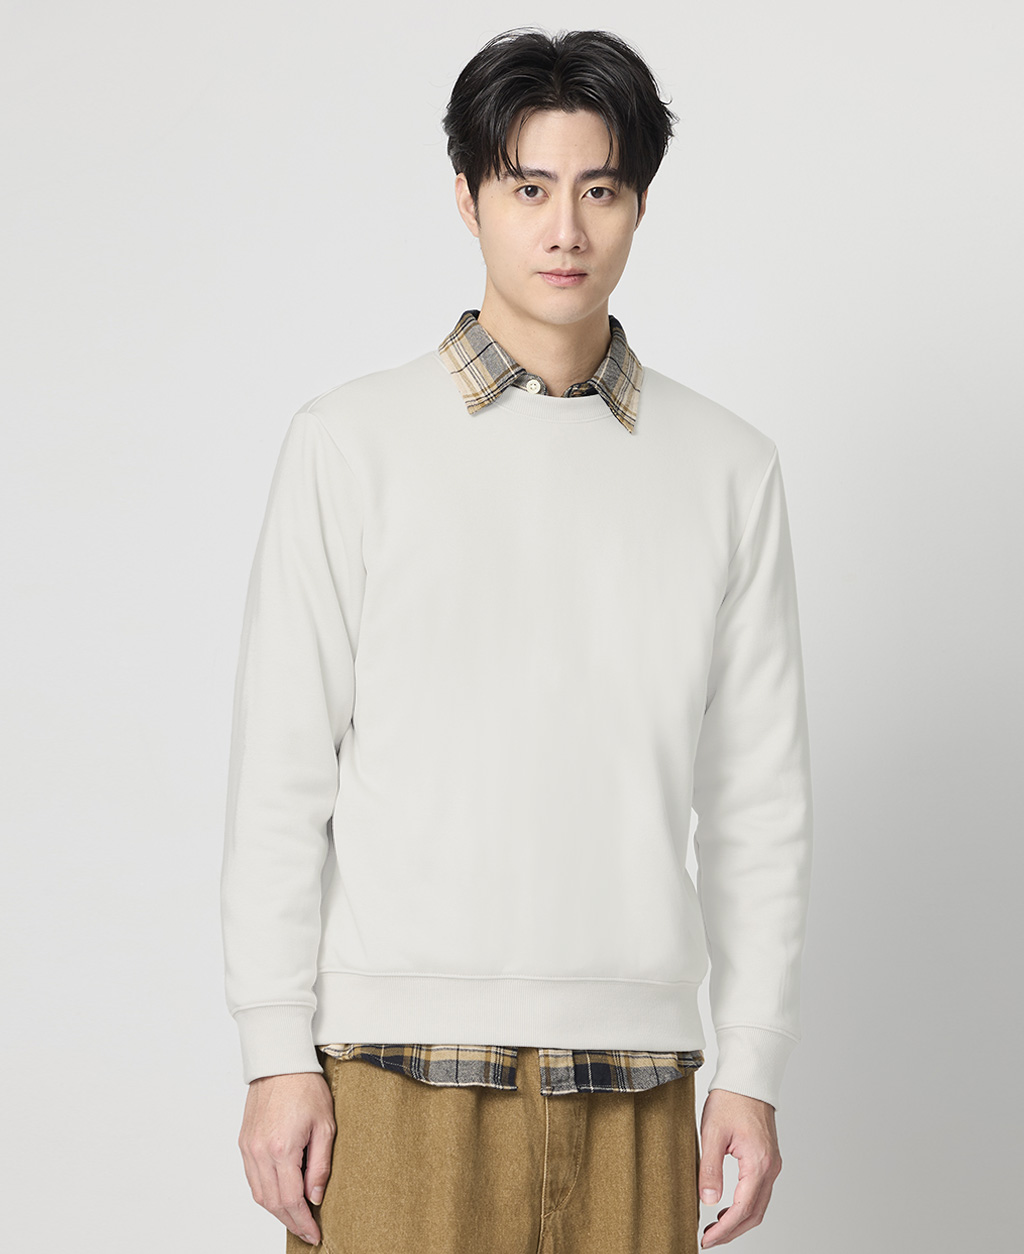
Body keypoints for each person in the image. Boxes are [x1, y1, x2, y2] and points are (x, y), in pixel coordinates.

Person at [221, 26, 813, 1254]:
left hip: (636, 1072)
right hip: (391, 1067)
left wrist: (750, 1066)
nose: (564, 230)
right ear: (468, 198)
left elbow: (758, 798)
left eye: (599, 190)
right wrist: (275, 1049)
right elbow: (282, 770)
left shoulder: (728, 469)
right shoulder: (350, 445)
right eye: (528, 189)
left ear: (638, 204)